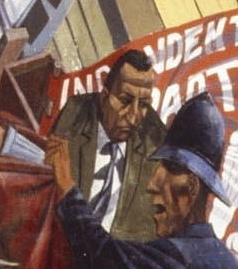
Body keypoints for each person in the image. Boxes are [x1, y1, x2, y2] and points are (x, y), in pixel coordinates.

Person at [48, 93, 238, 269]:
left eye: (169, 166)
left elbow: (105, 263)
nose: (151, 185)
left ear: (191, 187)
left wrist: (68, 189)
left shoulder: (181, 258)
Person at [45, 51, 165, 239]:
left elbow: (149, 230)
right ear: (104, 98)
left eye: (143, 104)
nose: (133, 118)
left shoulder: (155, 141)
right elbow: (52, 196)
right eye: (125, 101)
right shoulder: (75, 116)